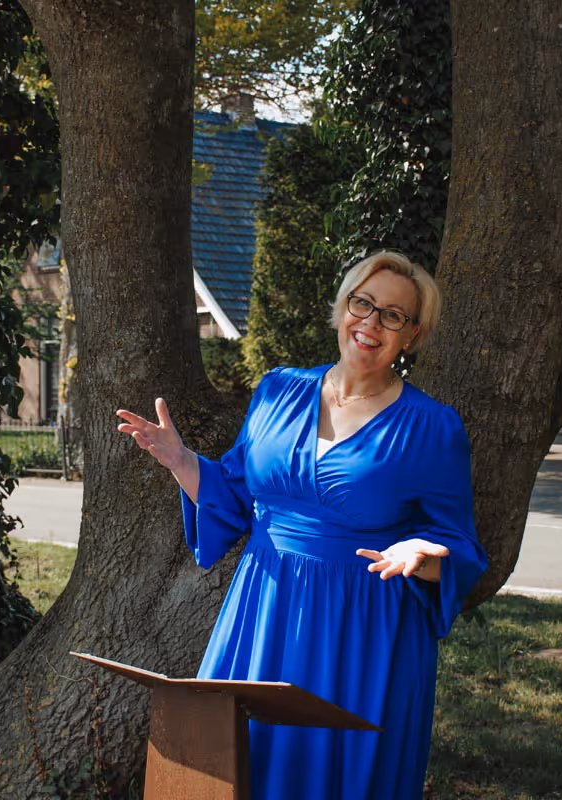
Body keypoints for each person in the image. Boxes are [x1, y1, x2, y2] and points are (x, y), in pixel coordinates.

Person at [115, 250, 488, 799]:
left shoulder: (432, 428)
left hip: (364, 631)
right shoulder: (277, 390)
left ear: (411, 335)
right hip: (261, 614)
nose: (372, 323)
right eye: (363, 303)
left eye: (393, 315)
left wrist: (423, 557)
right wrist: (181, 461)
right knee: (237, 766)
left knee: (331, 776)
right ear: (342, 309)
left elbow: (462, 548)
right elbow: (236, 497)